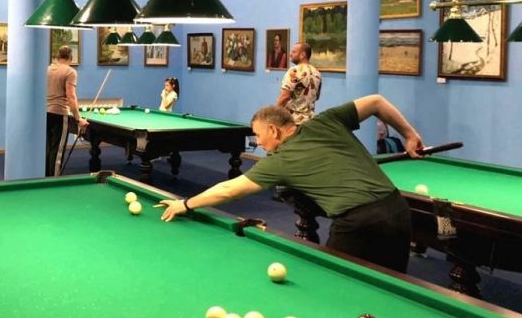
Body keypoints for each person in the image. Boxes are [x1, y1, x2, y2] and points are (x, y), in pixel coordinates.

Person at [158, 95, 424, 273]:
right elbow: (376, 102)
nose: (258, 143)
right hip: (397, 209)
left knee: (337, 287)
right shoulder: (327, 120)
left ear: (274, 130)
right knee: (394, 284)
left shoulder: (280, 161)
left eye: (258, 136)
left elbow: (228, 190)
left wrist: (186, 204)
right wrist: (410, 135)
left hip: (358, 223)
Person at [46, 46, 88, 177]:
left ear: (58, 56)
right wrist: (78, 119)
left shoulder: (48, 69)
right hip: (60, 113)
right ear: (71, 57)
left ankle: (44, 179)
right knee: (57, 150)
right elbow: (71, 97)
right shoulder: (70, 72)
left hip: (45, 112)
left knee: (47, 148)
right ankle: (54, 181)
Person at [276, 43, 321, 124]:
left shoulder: (294, 71)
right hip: (310, 121)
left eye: (294, 52)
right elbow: (316, 96)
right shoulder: (317, 73)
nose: (290, 54)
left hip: (293, 121)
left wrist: (275, 115)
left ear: (302, 55)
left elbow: (285, 97)